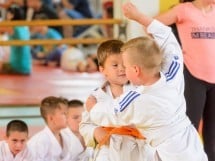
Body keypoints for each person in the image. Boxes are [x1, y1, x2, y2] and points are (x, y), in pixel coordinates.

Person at [84, 2, 208, 161]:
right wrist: (139, 17)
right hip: (192, 147)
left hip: (171, 155)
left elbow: (110, 113)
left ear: (136, 70)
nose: (123, 70)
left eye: (126, 66)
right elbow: (168, 38)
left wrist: (93, 108)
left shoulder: (138, 99)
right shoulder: (173, 73)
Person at [155, 0, 215, 160]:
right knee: (189, 128)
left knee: (213, 135)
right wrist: (171, 48)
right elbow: (152, 26)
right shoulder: (183, 10)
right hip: (192, 76)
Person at [80, 39, 137, 161]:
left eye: (125, 64)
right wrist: (95, 131)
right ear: (102, 69)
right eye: (115, 65)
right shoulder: (95, 97)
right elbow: (85, 125)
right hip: (107, 150)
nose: (121, 69)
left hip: (135, 149)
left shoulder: (138, 91)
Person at [28, 96, 72, 161]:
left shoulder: (67, 136)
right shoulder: (38, 142)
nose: (68, 117)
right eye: (64, 114)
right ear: (51, 118)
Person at [0, 5, 32, 75]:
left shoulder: (13, 27)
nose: (7, 16)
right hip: (26, 66)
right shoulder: (24, 26)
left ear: (12, 15)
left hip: (17, 66)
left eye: (8, 14)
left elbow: (2, 29)